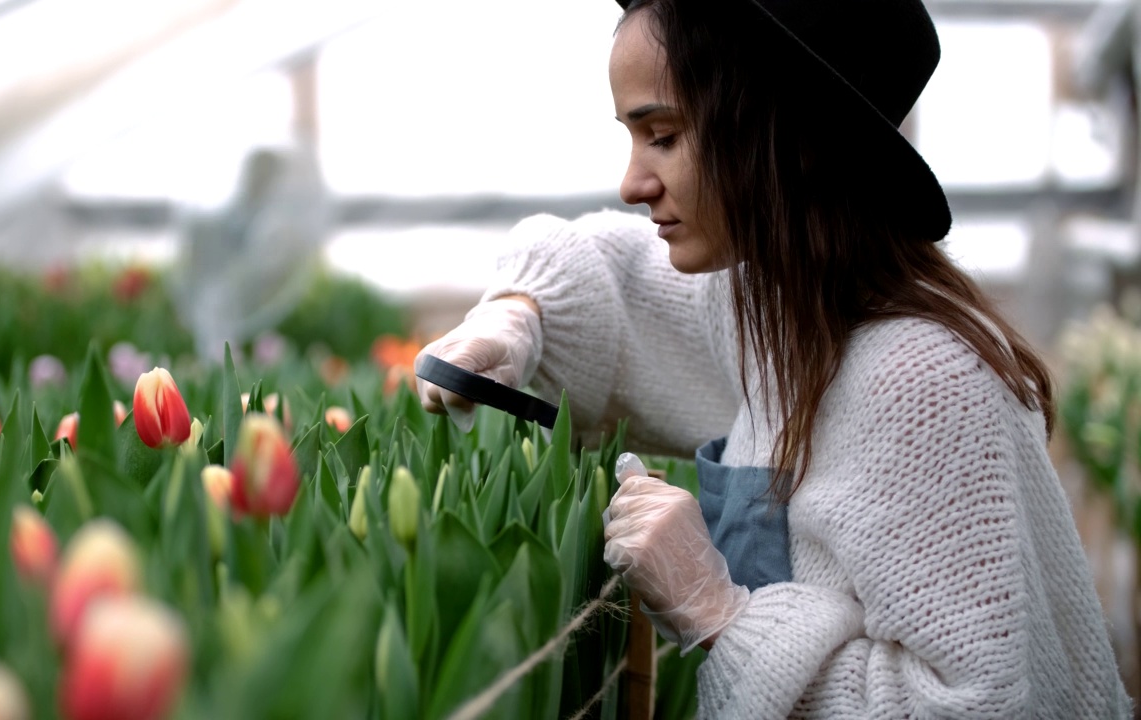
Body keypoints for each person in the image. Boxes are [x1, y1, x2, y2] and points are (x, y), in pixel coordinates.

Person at [416, 0, 1133, 716]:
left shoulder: (921, 380)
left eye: (661, 135)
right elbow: (625, 279)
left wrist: (719, 614)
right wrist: (521, 314)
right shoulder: (782, 317)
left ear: (784, 133)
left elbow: (976, 706)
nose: (633, 183)